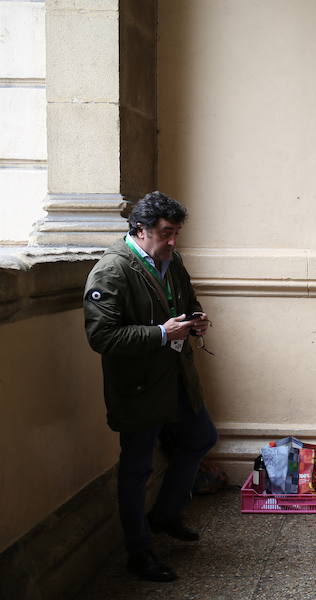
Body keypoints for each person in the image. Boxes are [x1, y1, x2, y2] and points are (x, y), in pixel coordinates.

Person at [83, 191, 218, 582]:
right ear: (140, 231)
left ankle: (165, 514)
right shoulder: (111, 271)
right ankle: (139, 553)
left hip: (177, 380)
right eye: (166, 233)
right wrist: (161, 333)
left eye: (176, 233)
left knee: (201, 436)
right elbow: (102, 337)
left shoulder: (170, 260)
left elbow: (188, 302)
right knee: (136, 469)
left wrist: (196, 322)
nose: (173, 242)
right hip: (139, 389)